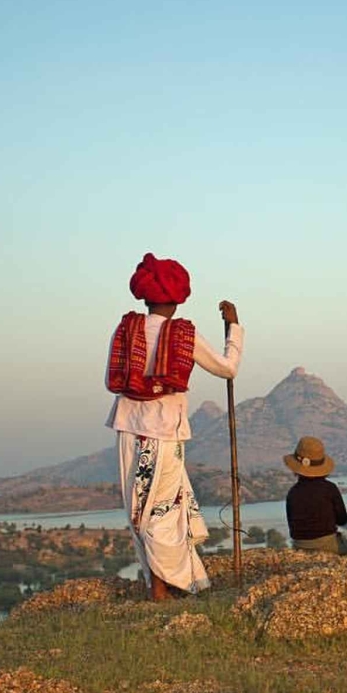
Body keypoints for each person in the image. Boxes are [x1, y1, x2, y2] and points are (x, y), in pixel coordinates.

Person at [106, 253, 243, 600]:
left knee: (140, 509)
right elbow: (227, 368)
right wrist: (235, 328)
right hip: (164, 431)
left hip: (127, 428)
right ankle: (162, 588)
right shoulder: (184, 335)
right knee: (162, 510)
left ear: (146, 294)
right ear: (179, 296)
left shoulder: (125, 330)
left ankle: (166, 582)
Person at [283, 436, 347, 554]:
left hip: (299, 546)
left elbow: (292, 528)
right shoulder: (330, 489)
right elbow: (342, 520)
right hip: (327, 545)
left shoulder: (292, 493)